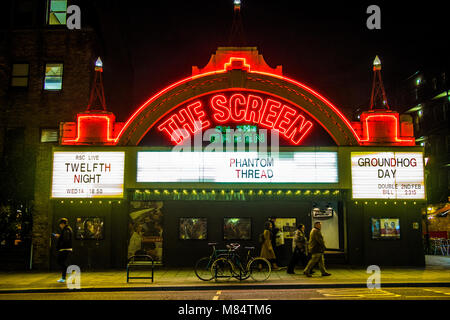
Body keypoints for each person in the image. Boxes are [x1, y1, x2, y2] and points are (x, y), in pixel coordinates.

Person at [54, 218, 73, 283]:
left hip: (65, 248)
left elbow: (66, 239)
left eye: (60, 224)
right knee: (62, 262)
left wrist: (59, 237)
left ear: (62, 224)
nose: (60, 226)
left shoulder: (66, 230)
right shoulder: (67, 229)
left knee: (60, 262)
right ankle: (64, 276)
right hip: (65, 248)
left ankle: (65, 276)